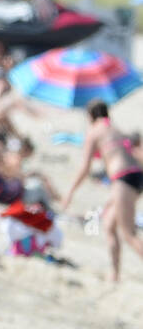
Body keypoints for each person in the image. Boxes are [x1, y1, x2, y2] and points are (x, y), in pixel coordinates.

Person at [60, 99, 143, 282]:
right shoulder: (116, 129)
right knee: (109, 224)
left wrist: (70, 193)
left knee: (129, 234)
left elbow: (85, 168)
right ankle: (114, 275)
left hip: (123, 179)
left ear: (90, 116)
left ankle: (115, 274)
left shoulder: (95, 131)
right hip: (135, 176)